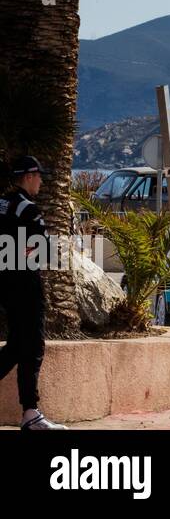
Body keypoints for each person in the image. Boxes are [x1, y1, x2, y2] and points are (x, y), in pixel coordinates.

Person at [0, 156, 64, 429]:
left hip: (5, 284)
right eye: (39, 176)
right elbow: (45, 250)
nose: (41, 181)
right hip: (25, 284)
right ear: (28, 176)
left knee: (16, 345)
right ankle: (30, 414)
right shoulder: (27, 209)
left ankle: (30, 412)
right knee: (33, 346)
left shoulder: (2, 204)